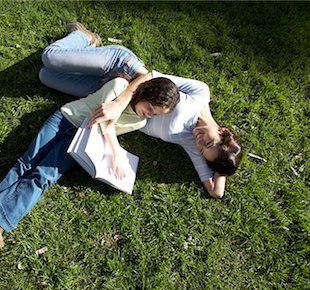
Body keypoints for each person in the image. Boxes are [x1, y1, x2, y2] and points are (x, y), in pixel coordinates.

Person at [0, 74, 180, 262]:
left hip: (80, 140)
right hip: (63, 120)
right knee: (27, 162)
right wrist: (116, 153)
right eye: (151, 108)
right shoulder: (119, 87)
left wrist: (114, 151)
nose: (149, 115)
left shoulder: (140, 123)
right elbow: (103, 120)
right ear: (146, 92)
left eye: (155, 115)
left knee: (44, 176)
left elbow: (108, 130)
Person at [39, 22, 243, 199]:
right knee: (50, 58)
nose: (199, 141)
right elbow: (151, 76)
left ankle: (89, 45)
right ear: (223, 131)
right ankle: (83, 36)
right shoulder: (200, 94)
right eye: (207, 141)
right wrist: (119, 103)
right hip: (124, 71)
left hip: (101, 92)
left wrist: (221, 163)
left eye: (202, 149)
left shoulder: (190, 142)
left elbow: (216, 191)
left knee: (45, 76)